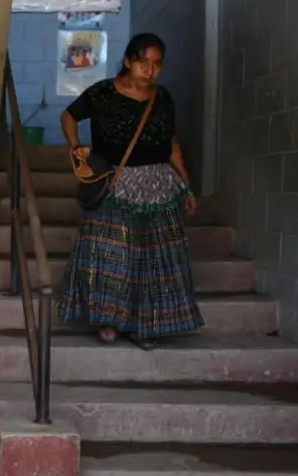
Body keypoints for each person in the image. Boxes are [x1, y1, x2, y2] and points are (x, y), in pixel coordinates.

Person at [57, 32, 204, 349]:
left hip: (159, 187)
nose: (149, 70)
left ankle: (143, 325)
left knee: (153, 260)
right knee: (111, 255)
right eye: (142, 62)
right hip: (115, 182)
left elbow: (172, 145)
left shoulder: (162, 98)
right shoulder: (102, 93)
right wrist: (74, 147)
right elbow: (68, 116)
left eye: (156, 64)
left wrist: (187, 186)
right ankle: (109, 321)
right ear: (127, 61)